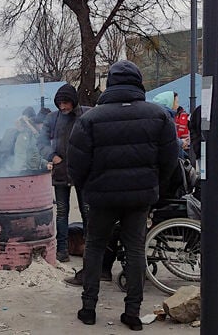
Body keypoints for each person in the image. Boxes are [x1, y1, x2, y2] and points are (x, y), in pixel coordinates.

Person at [68, 60, 178, 331]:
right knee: (135, 249)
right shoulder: (159, 116)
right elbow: (169, 161)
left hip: (102, 197)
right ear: (138, 82)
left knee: (94, 247)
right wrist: (153, 187)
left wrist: (87, 188)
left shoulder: (90, 118)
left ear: (110, 84)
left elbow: (76, 163)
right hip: (139, 198)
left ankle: (89, 308)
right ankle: (132, 313)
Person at [37, 84, 88, 263]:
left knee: (87, 211)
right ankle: (62, 249)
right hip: (60, 173)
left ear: (73, 102)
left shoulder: (87, 115)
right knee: (62, 212)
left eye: (66, 103)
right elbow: (41, 142)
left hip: (83, 172)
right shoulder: (52, 118)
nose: (63, 107)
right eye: (60, 103)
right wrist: (51, 155)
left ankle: (90, 250)